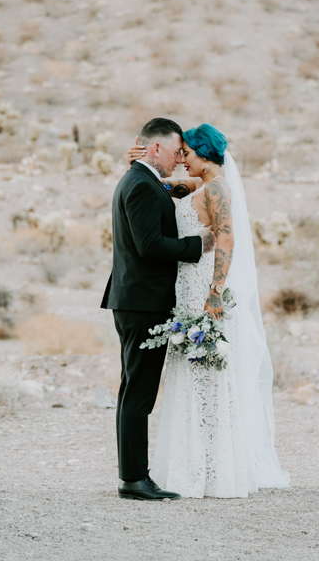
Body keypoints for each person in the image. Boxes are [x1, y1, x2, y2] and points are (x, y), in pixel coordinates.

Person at [129, 124, 290, 498]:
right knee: (190, 375)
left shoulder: (217, 189)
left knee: (208, 376)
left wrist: (215, 290)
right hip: (186, 289)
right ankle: (194, 463)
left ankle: (212, 469)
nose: (182, 159)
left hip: (203, 289)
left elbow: (226, 238)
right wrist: (139, 160)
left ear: (204, 155)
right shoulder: (199, 185)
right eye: (179, 153)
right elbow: (161, 185)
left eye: (187, 153)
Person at [101, 118, 216, 501]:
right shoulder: (141, 187)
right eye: (173, 151)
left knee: (134, 391)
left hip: (136, 301)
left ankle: (133, 476)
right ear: (156, 149)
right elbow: (150, 245)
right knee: (138, 395)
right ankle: (133, 480)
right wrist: (196, 245)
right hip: (143, 304)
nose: (178, 159)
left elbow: (194, 184)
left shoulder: (140, 181)